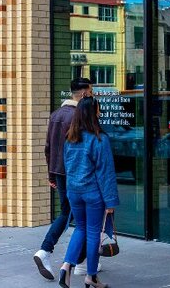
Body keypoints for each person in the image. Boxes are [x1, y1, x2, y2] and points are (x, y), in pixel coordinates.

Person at [34, 78, 93, 280]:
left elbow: (48, 147)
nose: (93, 94)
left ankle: (73, 259)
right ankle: (53, 253)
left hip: (59, 172)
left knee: (68, 212)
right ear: (84, 93)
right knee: (82, 216)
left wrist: (51, 174)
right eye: (91, 91)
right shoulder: (79, 116)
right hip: (75, 173)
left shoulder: (56, 114)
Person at [58, 96, 119, 288]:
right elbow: (105, 172)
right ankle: (91, 276)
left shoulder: (70, 138)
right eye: (98, 109)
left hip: (74, 191)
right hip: (93, 193)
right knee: (93, 233)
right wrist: (110, 202)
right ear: (93, 113)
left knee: (81, 229)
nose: (100, 112)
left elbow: (68, 167)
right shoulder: (100, 139)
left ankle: (66, 266)